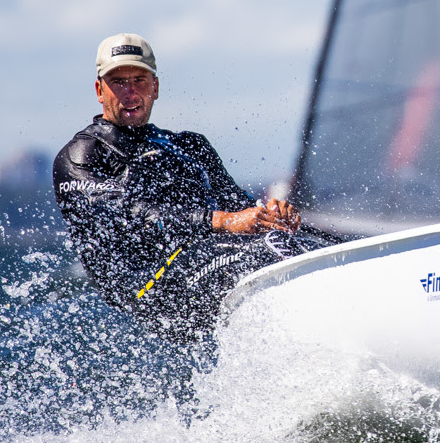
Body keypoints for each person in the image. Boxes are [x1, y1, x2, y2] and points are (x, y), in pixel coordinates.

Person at [54, 33, 328, 342]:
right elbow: (127, 216)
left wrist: (269, 216)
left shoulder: (189, 145)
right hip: (149, 289)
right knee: (268, 251)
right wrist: (221, 221)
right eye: (118, 82)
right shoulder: (83, 155)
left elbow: (238, 206)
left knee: (308, 243)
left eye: (139, 81)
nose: (130, 93)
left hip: (208, 259)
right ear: (99, 90)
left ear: (155, 87)